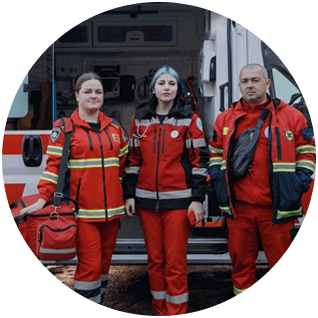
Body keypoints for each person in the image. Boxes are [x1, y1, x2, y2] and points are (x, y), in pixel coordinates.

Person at [20, 72, 128, 304]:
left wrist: (124, 195)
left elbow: (122, 166)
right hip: (84, 213)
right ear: (77, 95)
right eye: (87, 92)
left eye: (98, 92)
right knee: (90, 266)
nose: (93, 96)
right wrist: (42, 198)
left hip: (112, 214)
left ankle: (100, 301)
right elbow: (53, 167)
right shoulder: (65, 128)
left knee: (105, 265)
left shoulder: (115, 128)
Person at [209, 64, 316, 295]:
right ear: (239, 85)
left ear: (267, 84)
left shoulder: (291, 116)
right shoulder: (225, 119)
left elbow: (307, 152)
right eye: (245, 81)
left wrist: (299, 183)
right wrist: (218, 178)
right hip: (239, 209)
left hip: (276, 209)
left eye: (256, 80)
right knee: (240, 268)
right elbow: (215, 152)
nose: (250, 85)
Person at [124, 65, 208, 315]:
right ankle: (160, 309)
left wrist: (197, 199)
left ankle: (176, 311)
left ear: (178, 88)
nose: (167, 88)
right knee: (155, 262)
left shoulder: (189, 118)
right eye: (161, 83)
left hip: (180, 203)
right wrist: (129, 194)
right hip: (146, 202)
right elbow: (133, 159)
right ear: (153, 89)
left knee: (175, 262)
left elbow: (199, 161)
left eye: (172, 84)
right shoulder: (140, 119)